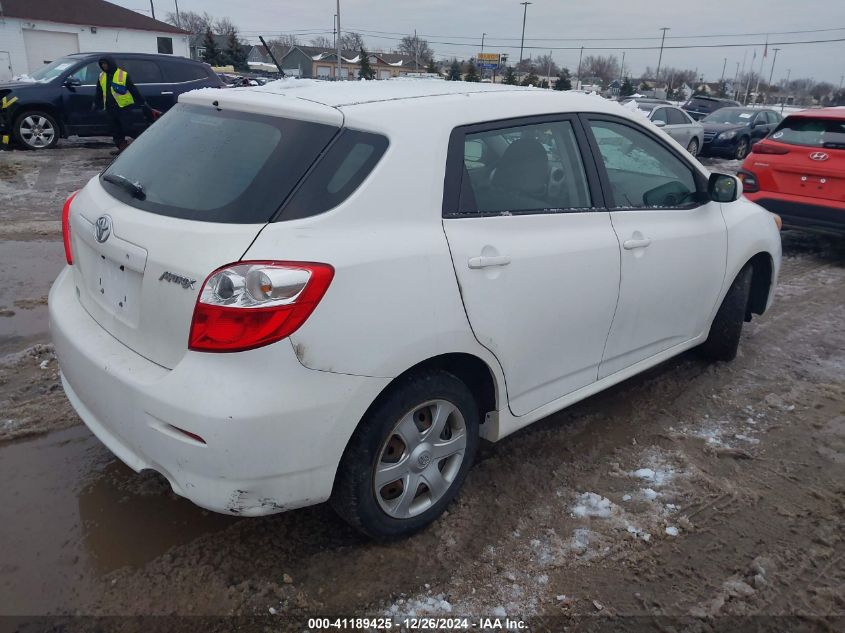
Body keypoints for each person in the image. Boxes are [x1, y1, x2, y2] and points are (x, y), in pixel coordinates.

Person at [93, 56, 154, 153]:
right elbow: (99, 91)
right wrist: (96, 103)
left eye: (105, 63)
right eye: (102, 64)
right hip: (110, 108)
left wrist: (142, 102)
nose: (104, 66)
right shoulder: (102, 76)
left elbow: (133, 89)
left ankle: (143, 145)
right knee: (115, 130)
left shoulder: (122, 75)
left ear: (110, 64)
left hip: (123, 107)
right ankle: (122, 148)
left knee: (129, 128)